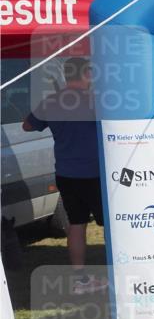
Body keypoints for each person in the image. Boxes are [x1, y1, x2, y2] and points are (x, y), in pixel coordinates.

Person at [22, 57, 105, 294]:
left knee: (76, 225)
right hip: (95, 173)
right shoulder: (95, 101)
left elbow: (26, 126)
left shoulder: (51, 101)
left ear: (67, 75)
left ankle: (81, 280)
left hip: (67, 173)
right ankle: (121, 274)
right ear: (87, 74)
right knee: (112, 225)